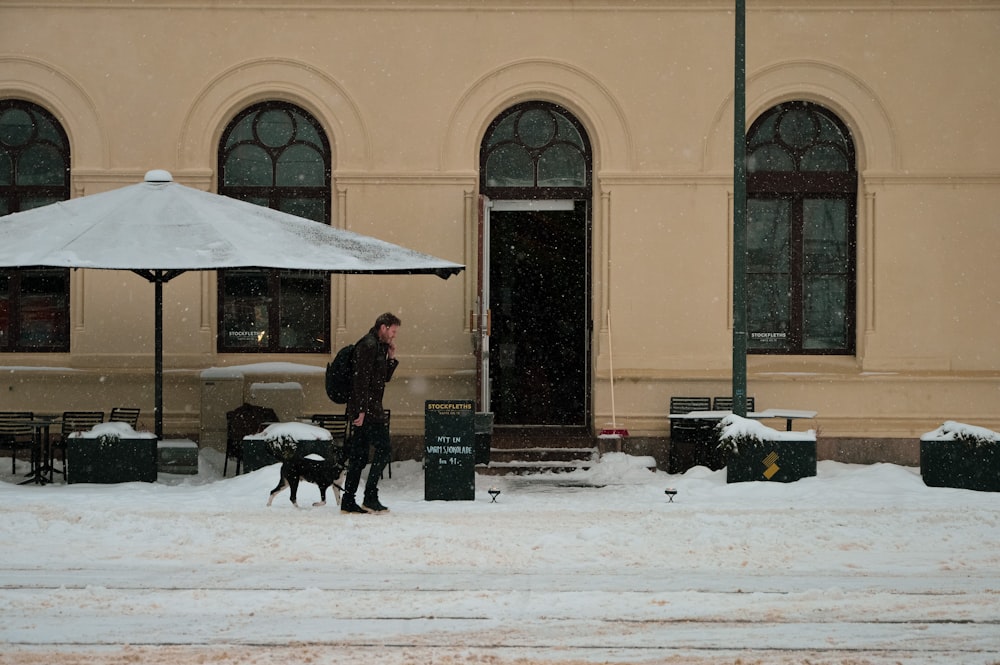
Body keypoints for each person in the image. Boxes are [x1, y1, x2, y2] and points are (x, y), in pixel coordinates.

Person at [341, 312, 400, 514]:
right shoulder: (368, 345)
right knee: (383, 450)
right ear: (383, 327)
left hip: (369, 410)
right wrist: (361, 410)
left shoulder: (377, 346)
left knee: (359, 455)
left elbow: (381, 379)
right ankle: (369, 497)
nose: (394, 336)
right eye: (393, 332)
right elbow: (361, 381)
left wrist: (391, 358)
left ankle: (349, 500)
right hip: (368, 412)